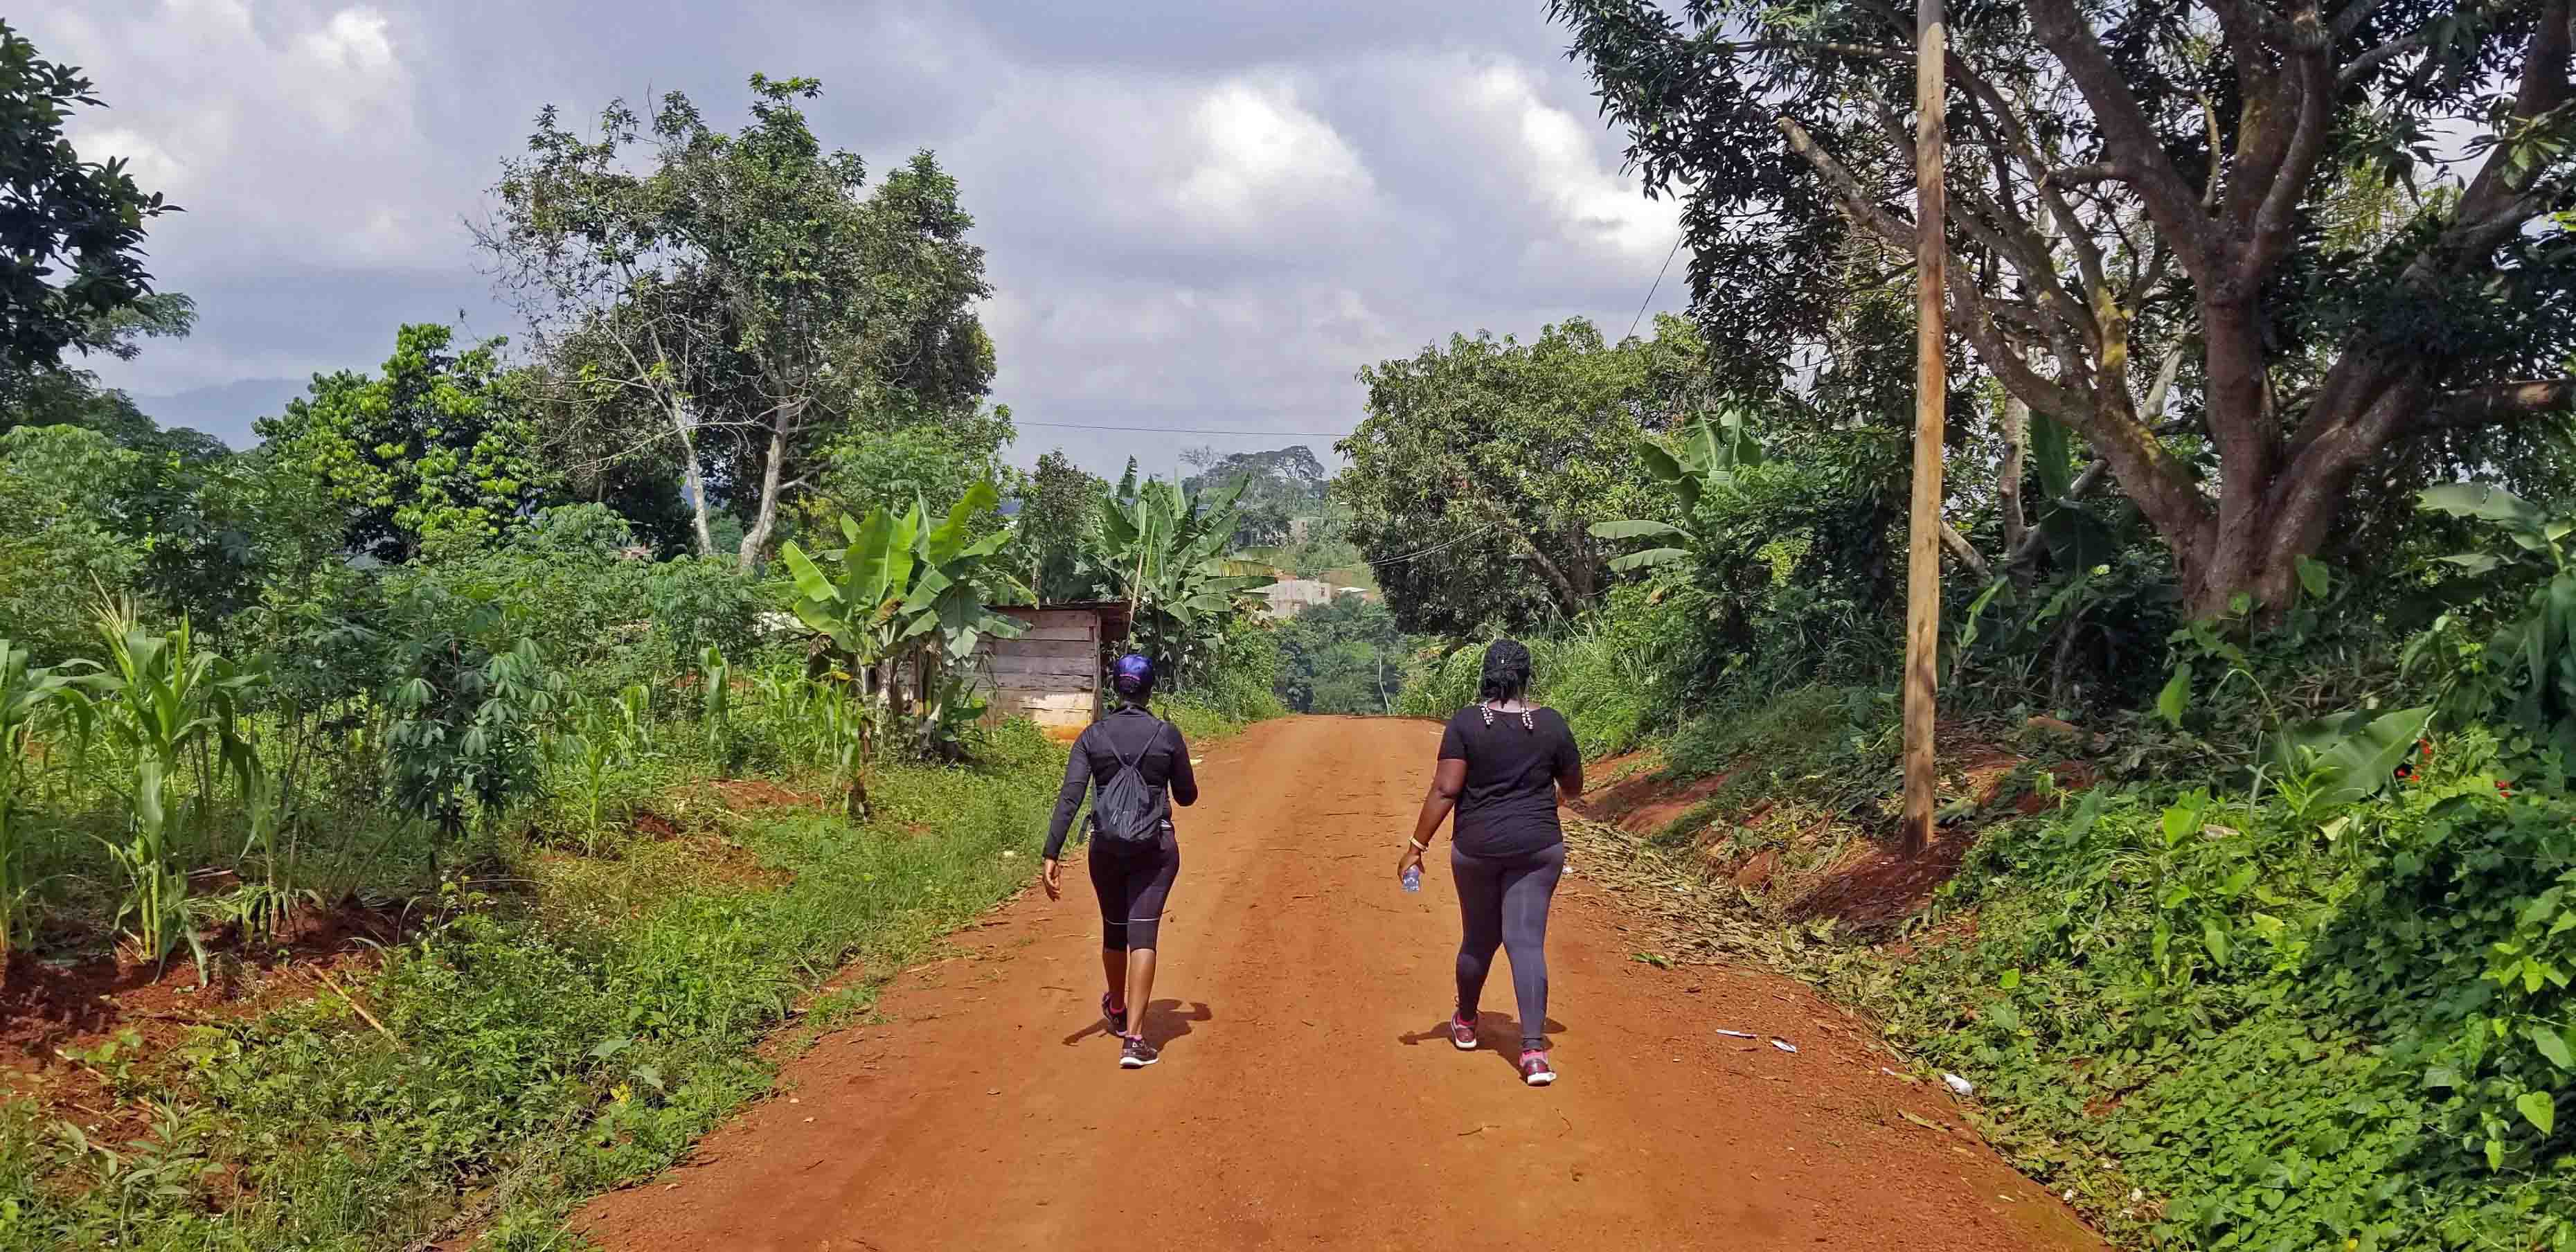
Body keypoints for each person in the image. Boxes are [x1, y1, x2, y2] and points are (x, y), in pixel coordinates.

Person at [1396, 638, 1582, 1087]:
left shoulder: (1465, 723)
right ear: (1526, 676)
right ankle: (1534, 1052)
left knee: (1479, 940)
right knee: (1526, 942)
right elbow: (1573, 786)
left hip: (1477, 849)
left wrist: (1416, 847)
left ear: (1485, 675)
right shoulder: (1551, 724)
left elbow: (1446, 789)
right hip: (1537, 848)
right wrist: (1549, 799)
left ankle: (1465, 1021)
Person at [1043, 653, 1197, 1069]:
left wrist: (1052, 852)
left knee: (1114, 929)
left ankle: (1116, 1007)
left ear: (1116, 687)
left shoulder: (1092, 737)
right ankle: (1134, 1040)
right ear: (1150, 690)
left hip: (1106, 849)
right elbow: (1186, 796)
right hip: (1155, 849)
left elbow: (1071, 797)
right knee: (1143, 934)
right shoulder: (1166, 734)